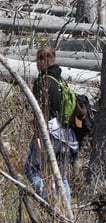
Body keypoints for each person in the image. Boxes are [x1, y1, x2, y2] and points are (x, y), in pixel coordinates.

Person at [24, 46, 77, 207]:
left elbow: (40, 111)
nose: (36, 64)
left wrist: (38, 136)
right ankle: (67, 211)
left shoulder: (42, 82)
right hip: (65, 134)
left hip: (48, 132)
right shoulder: (60, 81)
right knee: (61, 176)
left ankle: (49, 204)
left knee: (31, 169)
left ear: (42, 61)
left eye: (37, 60)